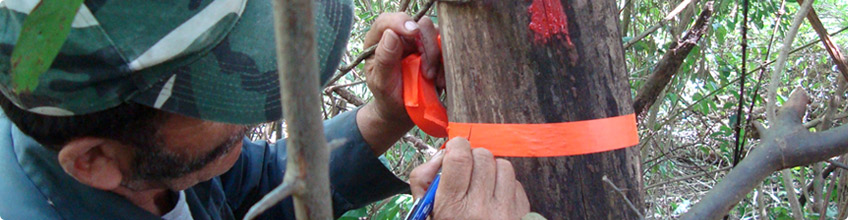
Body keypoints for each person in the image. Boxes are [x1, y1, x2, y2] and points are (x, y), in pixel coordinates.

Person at [0, 0, 530, 219]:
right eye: (219, 96)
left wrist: (387, 115)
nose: (268, 104)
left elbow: (249, 189)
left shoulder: (144, 159)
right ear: (93, 161)